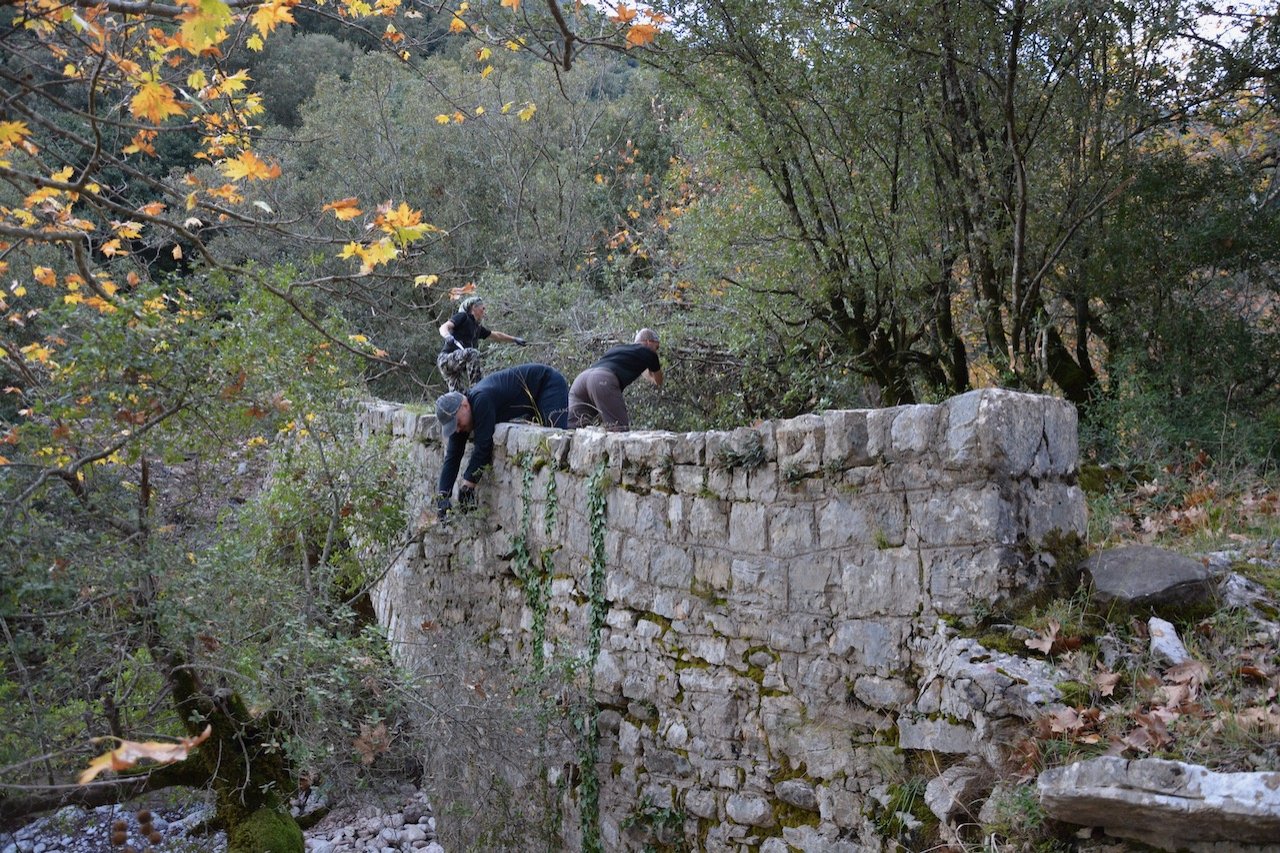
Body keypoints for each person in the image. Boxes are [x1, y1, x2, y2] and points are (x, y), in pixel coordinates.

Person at [435, 363, 569, 520]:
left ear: (464, 405)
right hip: (531, 397)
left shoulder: (481, 400)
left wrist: (468, 486)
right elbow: (452, 456)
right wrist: (443, 497)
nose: (457, 429)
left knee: (554, 440)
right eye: (453, 427)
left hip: (548, 384)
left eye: (457, 423)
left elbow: (483, 447)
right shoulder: (463, 418)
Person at [568, 328, 664, 431]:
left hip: (582, 379)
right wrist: (647, 369)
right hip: (602, 380)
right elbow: (658, 380)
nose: (656, 350)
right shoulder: (649, 353)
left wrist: (641, 367)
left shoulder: (618, 348)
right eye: (656, 346)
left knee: (571, 429)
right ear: (649, 342)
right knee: (619, 431)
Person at [436, 295, 527, 392]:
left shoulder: (477, 328)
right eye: (482, 308)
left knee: (459, 397)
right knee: (472, 353)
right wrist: (447, 336)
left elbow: (496, 335)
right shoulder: (463, 317)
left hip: (456, 366)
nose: (484, 311)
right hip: (446, 359)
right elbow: (443, 327)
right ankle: (477, 389)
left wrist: (515, 339)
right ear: (474, 307)